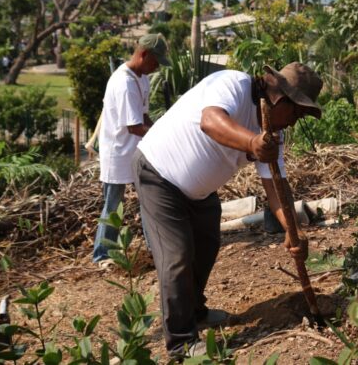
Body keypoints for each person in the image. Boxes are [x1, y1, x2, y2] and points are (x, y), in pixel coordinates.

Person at [132, 62, 323, 357]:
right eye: (296, 113)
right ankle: (181, 343)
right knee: (177, 256)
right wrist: (251, 142)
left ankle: (194, 310)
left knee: (207, 246)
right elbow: (210, 121)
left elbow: (276, 188)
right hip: (158, 174)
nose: (293, 123)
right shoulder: (233, 84)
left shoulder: (272, 134)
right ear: (281, 98)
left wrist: (292, 230)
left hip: (200, 192)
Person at [92, 33, 170, 265]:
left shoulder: (141, 78)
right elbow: (135, 126)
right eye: (155, 61)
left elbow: (144, 115)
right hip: (117, 152)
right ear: (144, 54)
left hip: (136, 151)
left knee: (148, 198)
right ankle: (102, 254)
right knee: (113, 205)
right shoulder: (124, 82)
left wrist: (159, 130)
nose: (156, 67)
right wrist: (160, 135)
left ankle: (154, 246)